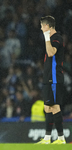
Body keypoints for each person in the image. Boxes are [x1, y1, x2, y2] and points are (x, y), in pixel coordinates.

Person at [37, 16, 66, 144]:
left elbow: (50, 53)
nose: (41, 28)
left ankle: (61, 138)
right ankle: (47, 138)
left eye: (42, 26)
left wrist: (46, 37)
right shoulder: (51, 38)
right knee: (47, 108)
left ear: (48, 26)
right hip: (48, 77)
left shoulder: (57, 38)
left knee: (54, 107)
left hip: (54, 78)